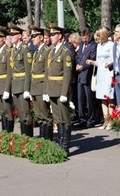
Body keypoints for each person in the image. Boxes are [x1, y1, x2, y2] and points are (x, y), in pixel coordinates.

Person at [44, 24, 73, 155]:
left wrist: (64, 93)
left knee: (64, 118)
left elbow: (67, 74)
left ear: (60, 36)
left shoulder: (65, 52)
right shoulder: (51, 51)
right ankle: (60, 143)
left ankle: (65, 146)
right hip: (52, 89)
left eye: (53, 35)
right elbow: (47, 73)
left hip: (61, 89)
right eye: (50, 35)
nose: (51, 37)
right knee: (57, 118)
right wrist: (46, 90)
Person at [86, 27, 114, 130]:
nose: (97, 37)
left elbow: (113, 59)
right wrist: (92, 62)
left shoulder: (111, 45)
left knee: (109, 97)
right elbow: (98, 61)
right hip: (101, 72)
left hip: (108, 72)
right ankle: (105, 120)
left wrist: (110, 66)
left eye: (99, 35)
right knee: (102, 98)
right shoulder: (99, 46)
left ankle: (111, 121)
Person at [8, 22, 33, 136]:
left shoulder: (24, 49)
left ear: (19, 36)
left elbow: (28, 70)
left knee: (26, 114)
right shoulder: (13, 50)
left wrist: (27, 89)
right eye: (11, 35)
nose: (11, 37)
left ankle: (29, 139)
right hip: (15, 85)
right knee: (20, 114)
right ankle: (24, 138)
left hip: (22, 85)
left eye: (13, 35)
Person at [29, 25, 52, 140]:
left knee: (45, 116)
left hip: (42, 86)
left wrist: (46, 90)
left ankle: (48, 142)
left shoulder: (46, 51)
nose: (32, 38)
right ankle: (43, 140)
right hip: (35, 87)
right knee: (39, 116)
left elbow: (48, 73)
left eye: (35, 36)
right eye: (32, 36)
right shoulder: (37, 51)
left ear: (41, 38)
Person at [0, 25, 14, 132]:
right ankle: (4, 135)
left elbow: (10, 72)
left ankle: (9, 136)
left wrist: (7, 89)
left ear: (3, 39)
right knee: (2, 112)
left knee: (8, 112)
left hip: (5, 86)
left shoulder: (8, 52)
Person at [75, 27, 97, 129]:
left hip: (87, 74)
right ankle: (82, 119)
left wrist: (83, 66)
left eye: (86, 38)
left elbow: (92, 58)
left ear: (89, 36)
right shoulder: (81, 45)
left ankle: (91, 119)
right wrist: (78, 65)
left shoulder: (93, 46)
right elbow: (78, 56)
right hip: (80, 75)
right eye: (82, 38)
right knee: (80, 99)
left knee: (89, 99)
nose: (84, 40)